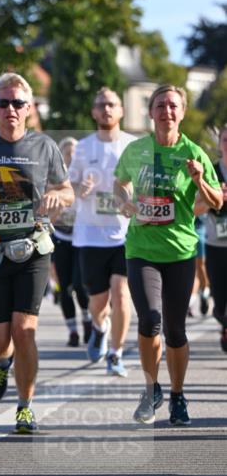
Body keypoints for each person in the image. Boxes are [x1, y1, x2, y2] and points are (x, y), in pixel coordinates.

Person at [0, 72, 73, 432]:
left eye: (18, 103)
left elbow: (67, 191)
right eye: (4, 103)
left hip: (33, 249)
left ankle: (25, 406)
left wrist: (58, 197)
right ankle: (1, 364)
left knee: (25, 331)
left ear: (29, 108)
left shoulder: (44, 147)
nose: (11, 109)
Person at [114, 85, 223, 425]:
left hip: (179, 251)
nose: (167, 111)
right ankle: (150, 390)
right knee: (149, 320)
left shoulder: (193, 152)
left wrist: (200, 180)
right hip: (141, 250)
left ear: (182, 113)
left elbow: (218, 203)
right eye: (160, 105)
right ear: (150, 112)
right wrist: (125, 201)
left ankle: (177, 395)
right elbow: (118, 185)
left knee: (175, 331)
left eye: (173, 106)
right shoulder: (136, 150)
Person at [68, 88, 136, 376]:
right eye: (101, 105)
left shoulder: (133, 146)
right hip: (91, 235)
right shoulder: (83, 148)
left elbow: (146, 186)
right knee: (99, 303)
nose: (106, 109)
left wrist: (133, 198)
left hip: (125, 235)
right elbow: (68, 187)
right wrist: (78, 189)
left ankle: (116, 353)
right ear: (94, 112)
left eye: (112, 104)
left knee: (121, 295)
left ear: (121, 110)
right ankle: (98, 327)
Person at [50, 137, 92, 348]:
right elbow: (49, 212)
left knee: (79, 284)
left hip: (81, 240)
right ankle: (73, 331)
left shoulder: (87, 176)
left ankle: (86, 318)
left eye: (75, 152)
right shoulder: (55, 179)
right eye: (67, 152)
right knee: (64, 287)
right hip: (60, 238)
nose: (71, 155)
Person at [195, 123, 227, 353]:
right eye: (225, 139)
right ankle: (224, 323)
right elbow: (194, 209)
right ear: (220, 144)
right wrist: (214, 198)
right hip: (215, 243)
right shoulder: (210, 172)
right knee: (219, 304)